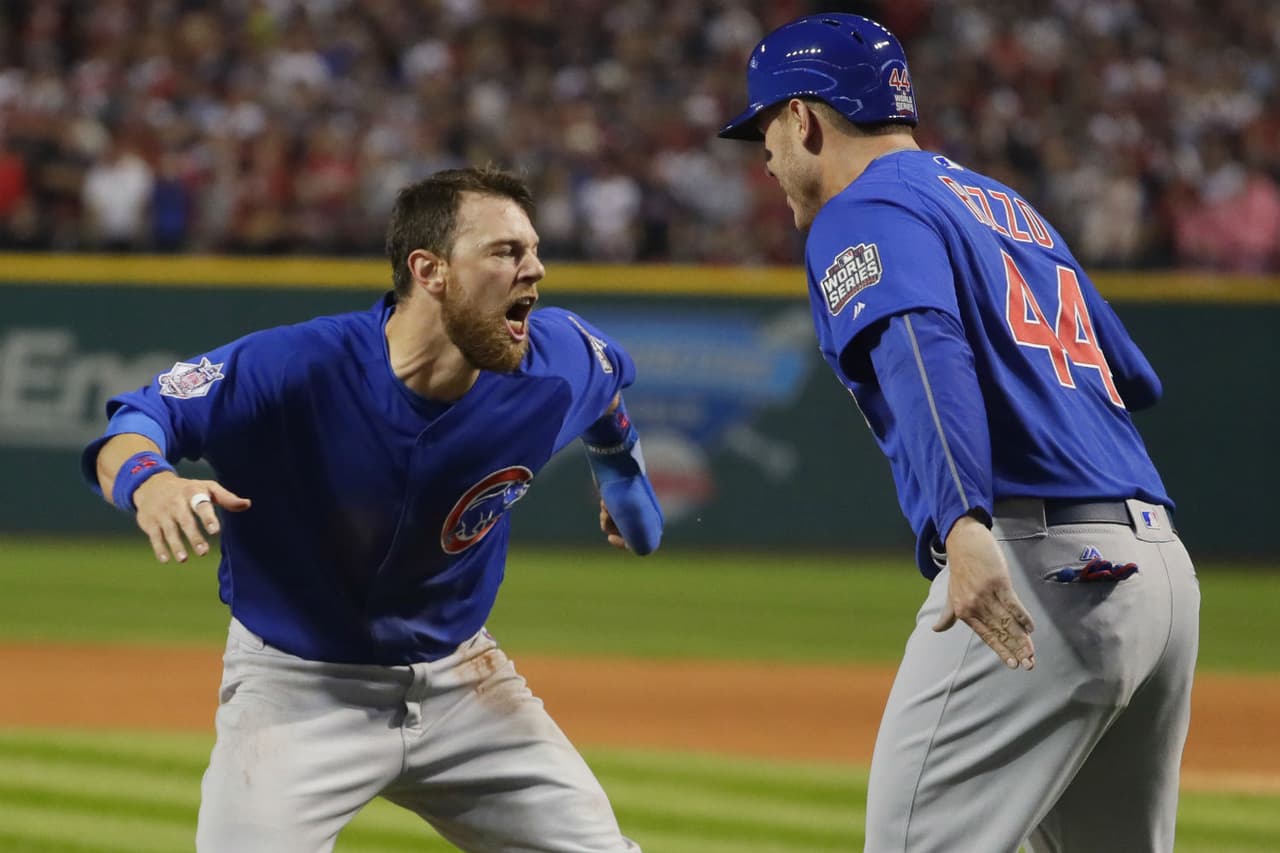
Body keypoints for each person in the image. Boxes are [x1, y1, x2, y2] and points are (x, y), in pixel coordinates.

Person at [719, 14, 1198, 853]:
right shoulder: (1004, 205)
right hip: (1158, 568)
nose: (763, 155)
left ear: (804, 119)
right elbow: (1133, 375)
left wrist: (963, 522)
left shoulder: (858, 209)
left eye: (764, 127)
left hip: (1042, 560)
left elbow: (918, 348)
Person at [80, 166, 662, 853]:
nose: (534, 269)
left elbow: (606, 391)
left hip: (462, 686)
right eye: (506, 251)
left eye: (533, 250)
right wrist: (150, 482)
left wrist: (622, 470)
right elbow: (135, 423)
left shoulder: (556, 357)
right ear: (430, 270)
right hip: (298, 691)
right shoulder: (297, 367)